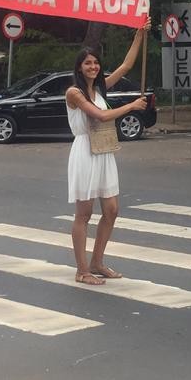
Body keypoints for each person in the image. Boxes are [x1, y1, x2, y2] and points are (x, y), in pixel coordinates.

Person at [64, 26, 149, 285]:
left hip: (103, 152)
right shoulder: (74, 93)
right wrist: (132, 106)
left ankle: (97, 261)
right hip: (84, 152)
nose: (93, 66)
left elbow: (125, 66)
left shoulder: (100, 88)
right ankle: (82, 270)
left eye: (96, 62)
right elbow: (99, 116)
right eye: (88, 63)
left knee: (111, 210)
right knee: (84, 213)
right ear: (79, 67)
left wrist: (139, 35)